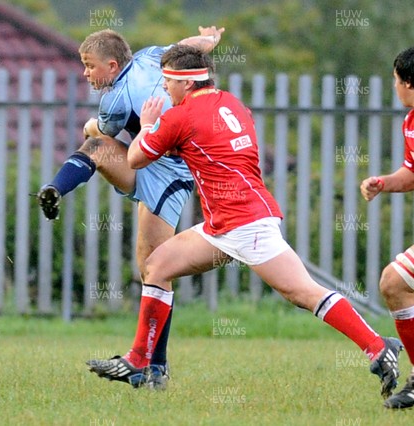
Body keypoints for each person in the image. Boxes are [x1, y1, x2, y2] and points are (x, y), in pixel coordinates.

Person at [87, 44, 404, 401]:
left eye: (167, 83)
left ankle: (379, 347)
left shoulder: (179, 116)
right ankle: (140, 360)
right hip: (226, 222)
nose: (163, 90)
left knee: (302, 292)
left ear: (186, 84)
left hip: (244, 224)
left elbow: (134, 158)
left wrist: (146, 126)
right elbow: (212, 143)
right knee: (157, 265)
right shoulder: (231, 102)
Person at [36, 27, 224, 389]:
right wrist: (210, 40)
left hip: (170, 171)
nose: (86, 74)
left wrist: (92, 123)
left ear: (111, 64)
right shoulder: (153, 53)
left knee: (154, 267)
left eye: (89, 67)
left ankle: (155, 368)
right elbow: (187, 47)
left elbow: (99, 126)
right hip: (147, 159)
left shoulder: (116, 98)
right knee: (149, 266)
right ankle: (54, 190)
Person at [360, 46, 414, 409]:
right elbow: (411, 172)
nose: (394, 87)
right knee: (395, 283)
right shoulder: (410, 123)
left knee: (394, 280)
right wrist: (384, 182)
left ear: (409, 83)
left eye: (395, 81)